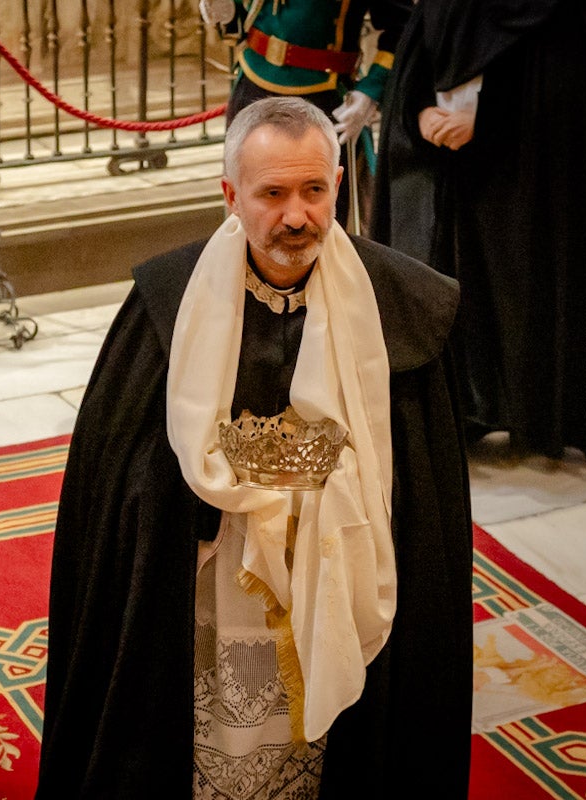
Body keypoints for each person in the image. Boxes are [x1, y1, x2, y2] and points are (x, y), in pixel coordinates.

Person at [36, 97, 473, 798]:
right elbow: (117, 479)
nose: (295, 217)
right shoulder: (165, 302)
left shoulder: (402, 303)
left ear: (338, 183)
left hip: (343, 573)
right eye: (272, 194)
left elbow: (427, 498)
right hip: (209, 585)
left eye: (314, 190)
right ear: (230, 195)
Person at [371, 0, 586, 465]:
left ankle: (538, 413)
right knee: (456, 279)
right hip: (450, 156)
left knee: (529, 283)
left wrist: (487, 115)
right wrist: (418, 106)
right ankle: (463, 408)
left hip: (533, 162)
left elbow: (561, 58)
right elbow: (429, 26)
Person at [200, 0, 413, 226]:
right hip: (252, 85)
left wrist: (371, 90)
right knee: (245, 216)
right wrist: (229, 13)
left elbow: (403, 26)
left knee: (315, 222)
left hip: (323, 99)